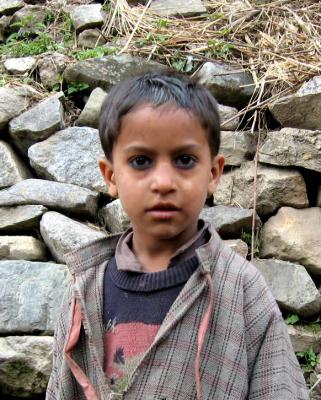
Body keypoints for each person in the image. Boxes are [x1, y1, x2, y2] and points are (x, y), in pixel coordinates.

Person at [46, 72, 308, 400]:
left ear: (213, 173)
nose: (164, 182)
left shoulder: (241, 291)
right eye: (141, 161)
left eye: (184, 160)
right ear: (111, 176)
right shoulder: (84, 291)